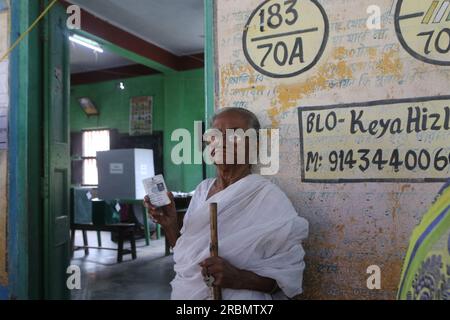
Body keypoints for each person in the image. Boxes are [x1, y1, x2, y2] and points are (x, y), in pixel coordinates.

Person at [144, 107, 309, 300]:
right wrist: (171, 225)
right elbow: (186, 257)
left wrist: (238, 278)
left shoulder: (268, 198)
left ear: (254, 146)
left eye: (235, 136)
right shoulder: (202, 191)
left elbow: (286, 279)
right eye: (215, 135)